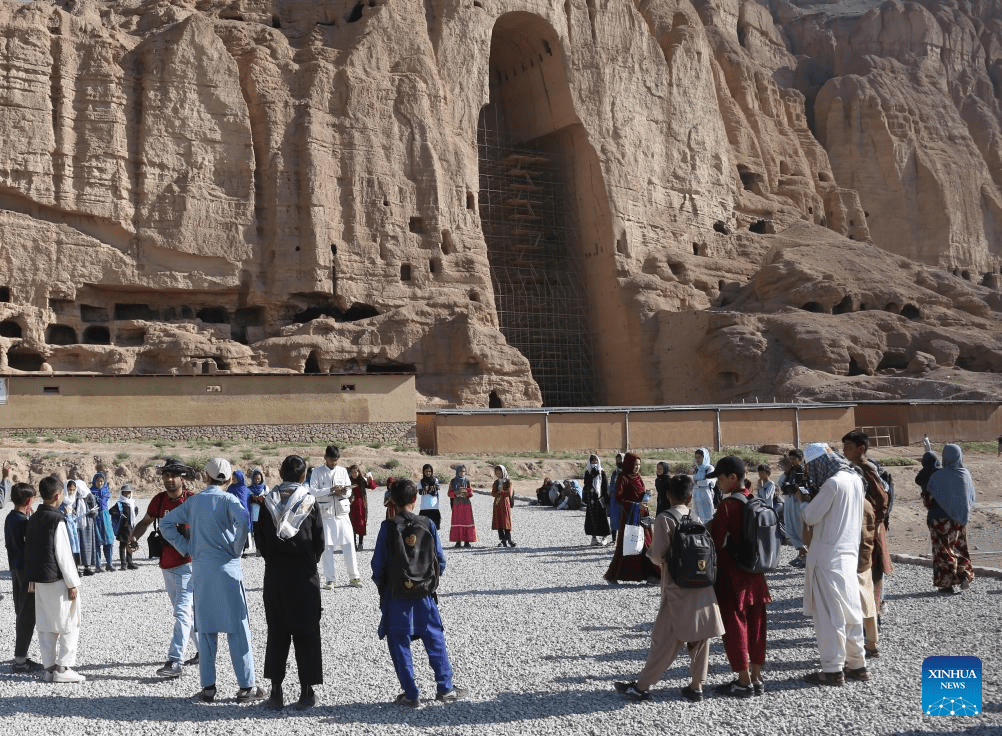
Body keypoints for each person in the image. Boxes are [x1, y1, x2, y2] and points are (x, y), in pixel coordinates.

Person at [161, 458, 263, 704]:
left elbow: (166, 523)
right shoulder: (229, 500)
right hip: (228, 570)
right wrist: (236, 548)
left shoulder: (194, 502)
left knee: (205, 630)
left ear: (205, 477)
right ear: (228, 479)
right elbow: (244, 522)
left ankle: (208, 688)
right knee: (238, 630)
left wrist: (187, 547)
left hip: (202, 571)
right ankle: (246, 686)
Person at [614, 474, 725, 702]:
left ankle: (642, 687)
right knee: (700, 638)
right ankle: (696, 686)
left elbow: (657, 555)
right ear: (691, 497)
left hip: (677, 587)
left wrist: (650, 554)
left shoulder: (665, 518)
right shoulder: (696, 517)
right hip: (703, 586)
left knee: (664, 640)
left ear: (667, 495)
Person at [371, 479, 466, 708]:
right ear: (415, 499)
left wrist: (384, 589)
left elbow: (377, 566)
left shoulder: (388, 527)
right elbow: (440, 560)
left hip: (396, 594)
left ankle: (411, 693)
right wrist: (429, 582)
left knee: (399, 641)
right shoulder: (428, 524)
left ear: (391, 501)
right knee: (434, 638)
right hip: (424, 594)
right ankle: (445, 688)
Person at [255, 455, 324, 711]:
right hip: (305, 578)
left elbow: (259, 540)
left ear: (281, 473)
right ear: (303, 475)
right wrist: (308, 561)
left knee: (277, 633)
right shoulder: (309, 502)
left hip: (276, 577)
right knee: (307, 632)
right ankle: (306, 693)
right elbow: (319, 543)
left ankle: (276, 693)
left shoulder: (268, 503)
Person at [798, 443, 867, 686]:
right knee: (851, 611)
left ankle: (833, 669)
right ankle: (857, 664)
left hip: (828, 557)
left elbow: (810, 516)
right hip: (848, 555)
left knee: (829, 615)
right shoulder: (855, 480)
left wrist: (806, 501)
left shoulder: (832, 484)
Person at [706, 456, 771, 697]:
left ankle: (743, 680)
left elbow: (717, 541)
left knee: (735, 627)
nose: (718, 484)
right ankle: (757, 676)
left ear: (733, 478)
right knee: (756, 626)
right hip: (757, 574)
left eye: (721, 480)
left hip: (732, 577)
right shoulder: (756, 500)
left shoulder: (727, 506)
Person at [129, 458, 199, 678]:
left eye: (173, 475)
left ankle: (175, 661)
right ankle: (204, 651)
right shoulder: (159, 501)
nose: (169, 479)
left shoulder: (193, 501)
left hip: (188, 565)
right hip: (166, 565)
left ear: (181, 478)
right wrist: (133, 538)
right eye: (166, 475)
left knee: (181, 612)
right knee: (186, 613)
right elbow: (145, 522)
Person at [25, 475, 84, 683]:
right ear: (58, 496)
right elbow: (64, 554)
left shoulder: (33, 518)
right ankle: (63, 667)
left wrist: (31, 578)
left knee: (46, 624)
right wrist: (73, 583)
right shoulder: (56, 520)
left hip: (39, 580)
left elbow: (29, 551)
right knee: (69, 623)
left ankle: (48, 668)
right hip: (58, 580)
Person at [841, 431, 893, 618]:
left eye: (848, 447)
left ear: (861, 449)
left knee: (872, 570)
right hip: (860, 529)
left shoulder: (866, 468)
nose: (845, 451)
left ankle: (874, 612)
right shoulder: (853, 467)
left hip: (869, 530)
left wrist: (872, 525)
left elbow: (882, 499)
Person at [924, 444, 976, 594]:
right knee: (960, 547)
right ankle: (964, 574)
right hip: (960, 520)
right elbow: (971, 498)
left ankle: (947, 584)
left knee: (943, 551)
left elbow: (929, 500)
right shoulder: (965, 474)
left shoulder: (937, 476)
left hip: (939, 520)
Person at [308, 446, 361, 589]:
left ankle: (354, 577)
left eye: (336, 461)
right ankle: (330, 580)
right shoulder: (317, 472)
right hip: (326, 515)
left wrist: (343, 492)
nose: (334, 464)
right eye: (332, 461)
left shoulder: (343, 471)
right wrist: (331, 490)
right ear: (325, 457)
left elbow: (349, 491)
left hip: (342, 514)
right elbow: (313, 491)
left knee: (349, 544)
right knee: (327, 547)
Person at [604, 453, 657, 585]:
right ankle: (613, 575)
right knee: (626, 544)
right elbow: (619, 497)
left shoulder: (638, 477)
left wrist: (646, 496)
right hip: (630, 515)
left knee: (647, 543)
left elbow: (639, 493)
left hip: (642, 515)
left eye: (639, 464)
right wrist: (634, 505)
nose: (637, 467)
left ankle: (651, 574)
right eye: (634, 464)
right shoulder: (623, 478)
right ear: (628, 464)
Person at [6, 481, 42, 673]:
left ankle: (20, 655)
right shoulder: (24, 522)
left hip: (15, 570)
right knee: (28, 614)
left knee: (21, 611)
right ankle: (20, 661)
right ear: (29, 500)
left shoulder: (10, 518)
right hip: (26, 572)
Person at [857, 497, 880, 658]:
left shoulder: (851, 502)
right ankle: (872, 643)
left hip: (854, 557)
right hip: (866, 555)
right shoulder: (867, 503)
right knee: (868, 602)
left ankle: (853, 650)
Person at [782, 449, 810, 568]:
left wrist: (792, 487)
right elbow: (786, 486)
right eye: (791, 459)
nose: (792, 461)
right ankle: (801, 553)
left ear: (801, 458)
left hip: (798, 501)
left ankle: (804, 555)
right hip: (789, 500)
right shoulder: (791, 471)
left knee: (799, 527)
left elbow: (800, 486)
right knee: (789, 527)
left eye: (794, 459)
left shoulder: (803, 471)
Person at [108, 484, 139, 570]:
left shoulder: (132, 503)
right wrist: (120, 515)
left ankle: (130, 563)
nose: (127, 494)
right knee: (122, 546)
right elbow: (111, 511)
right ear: (122, 493)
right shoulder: (119, 504)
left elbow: (136, 510)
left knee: (130, 545)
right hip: (123, 528)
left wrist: (133, 515)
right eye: (125, 492)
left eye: (128, 492)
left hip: (131, 528)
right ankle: (123, 565)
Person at [89, 472, 115, 573]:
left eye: (101, 481)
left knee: (109, 541)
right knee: (96, 542)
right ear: (94, 481)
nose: (100, 483)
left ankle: (109, 564)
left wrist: (96, 499)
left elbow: (102, 503)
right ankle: (98, 566)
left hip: (105, 518)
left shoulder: (106, 491)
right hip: (95, 518)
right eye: (98, 481)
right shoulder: (90, 491)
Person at [583, 455, 611, 546]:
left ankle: (604, 537)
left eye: (596, 462)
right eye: (592, 462)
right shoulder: (588, 473)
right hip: (591, 500)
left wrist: (606, 499)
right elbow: (586, 485)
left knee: (602, 518)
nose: (594, 463)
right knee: (592, 519)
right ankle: (594, 538)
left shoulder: (602, 472)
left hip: (600, 499)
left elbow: (605, 486)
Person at [59, 479, 85, 573]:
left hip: (72, 525)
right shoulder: (62, 500)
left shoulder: (73, 500)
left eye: (74, 490)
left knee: (75, 545)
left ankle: (76, 568)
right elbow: (57, 512)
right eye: (70, 489)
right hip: (65, 526)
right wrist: (63, 512)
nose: (72, 492)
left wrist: (73, 513)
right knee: (68, 546)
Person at [348, 464, 376, 551]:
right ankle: (353, 544)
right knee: (351, 524)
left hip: (361, 507)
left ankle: (360, 543)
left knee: (361, 524)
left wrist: (369, 478)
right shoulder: (348, 481)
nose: (354, 474)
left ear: (358, 472)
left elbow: (373, 486)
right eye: (352, 472)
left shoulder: (362, 480)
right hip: (351, 506)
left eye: (355, 472)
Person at [448, 465, 476, 549]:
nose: (462, 473)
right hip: (457, 504)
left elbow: (471, 492)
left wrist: (467, 492)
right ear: (457, 471)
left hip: (466, 504)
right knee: (457, 521)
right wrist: (456, 492)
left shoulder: (467, 481)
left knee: (467, 521)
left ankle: (467, 541)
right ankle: (458, 541)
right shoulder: (453, 481)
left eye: (463, 471)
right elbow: (449, 493)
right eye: (460, 471)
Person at [227, 470, 254, 555]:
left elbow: (248, 502)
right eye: (233, 478)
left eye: (235, 479)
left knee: (243, 530)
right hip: (233, 513)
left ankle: (243, 550)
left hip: (244, 513)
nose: (234, 480)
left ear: (240, 478)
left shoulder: (246, 490)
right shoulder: (230, 488)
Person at [491, 465, 516, 548]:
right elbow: (493, 493)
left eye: (499, 472)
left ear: (503, 472)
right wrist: (498, 493)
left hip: (505, 503)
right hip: (497, 503)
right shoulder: (496, 482)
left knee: (506, 521)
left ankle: (508, 539)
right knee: (499, 521)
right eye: (496, 473)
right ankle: (502, 540)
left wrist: (502, 492)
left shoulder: (508, 482)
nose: (498, 474)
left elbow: (509, 493)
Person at [692, 448, 715, 523]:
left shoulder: (710, 468)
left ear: (704, 457)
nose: (697, 460)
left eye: (699, 457)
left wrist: (698, 483)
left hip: (706, 494)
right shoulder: (697, 469)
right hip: (697, 494)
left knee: (708, 514)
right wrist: (699, 483)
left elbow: (708, 482)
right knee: (698, 515)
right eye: (696, 457)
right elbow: (694, 482)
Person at [607, 452, 625, 542]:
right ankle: (614, 539)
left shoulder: (627, 472)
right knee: (614, 519)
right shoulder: (614, 473)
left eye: (620, 459)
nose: (619, 461)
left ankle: (622, 540)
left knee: (623, 520)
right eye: (617, 460)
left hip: (623, 499)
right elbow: (611, 485)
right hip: (614, 499)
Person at [418, 464, 442, 530]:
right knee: (424, 529)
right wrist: (426, 489)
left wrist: (428, 489)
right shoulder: (421, 482)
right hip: (424, 507)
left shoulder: (435, 480)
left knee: (434, 529)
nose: (428, 473)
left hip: (434, 507)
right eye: (426, 471)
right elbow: (420, 492)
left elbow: (437, 489)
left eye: (429, 471)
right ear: (423, 472)